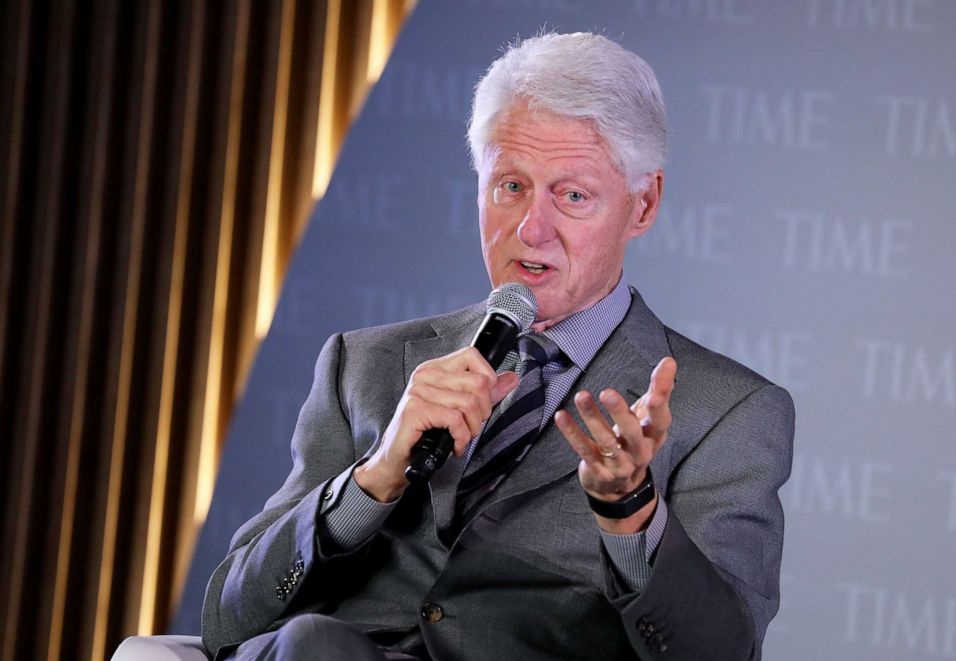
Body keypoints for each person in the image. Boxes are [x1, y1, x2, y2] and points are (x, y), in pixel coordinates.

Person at [201, 32, 794, 660]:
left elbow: (723, 652)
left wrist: (633, 518)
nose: (531, 229)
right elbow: (226, 622)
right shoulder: (365, 364)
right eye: (510, 186)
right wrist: (373, 480)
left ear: (642, 205)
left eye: (572, 196)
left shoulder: (727, 412)